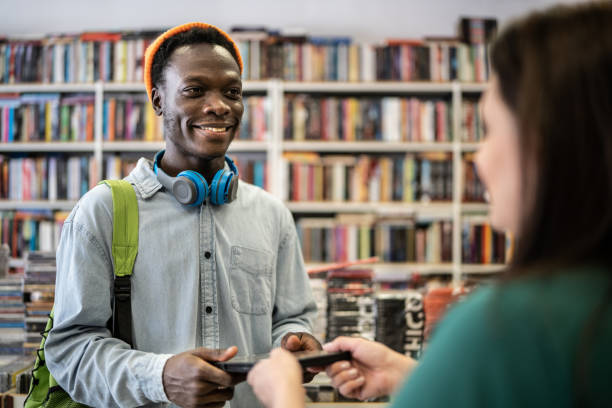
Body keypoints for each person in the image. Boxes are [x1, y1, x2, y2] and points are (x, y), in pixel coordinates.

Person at [247, 2, 612, 407]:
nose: (478, 158)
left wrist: (284, 395)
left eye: (490, 129)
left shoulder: (507, 325)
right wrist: (412, 376)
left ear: (551, 143)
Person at [45, 22, 321, 408]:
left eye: (232, 92)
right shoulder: (101, 213)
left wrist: (294, 341)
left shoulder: (271, 214)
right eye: (194, 90)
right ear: (158, 101)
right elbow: (70, 351)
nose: (219, 105)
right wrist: (158, 377)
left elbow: (293, 319)